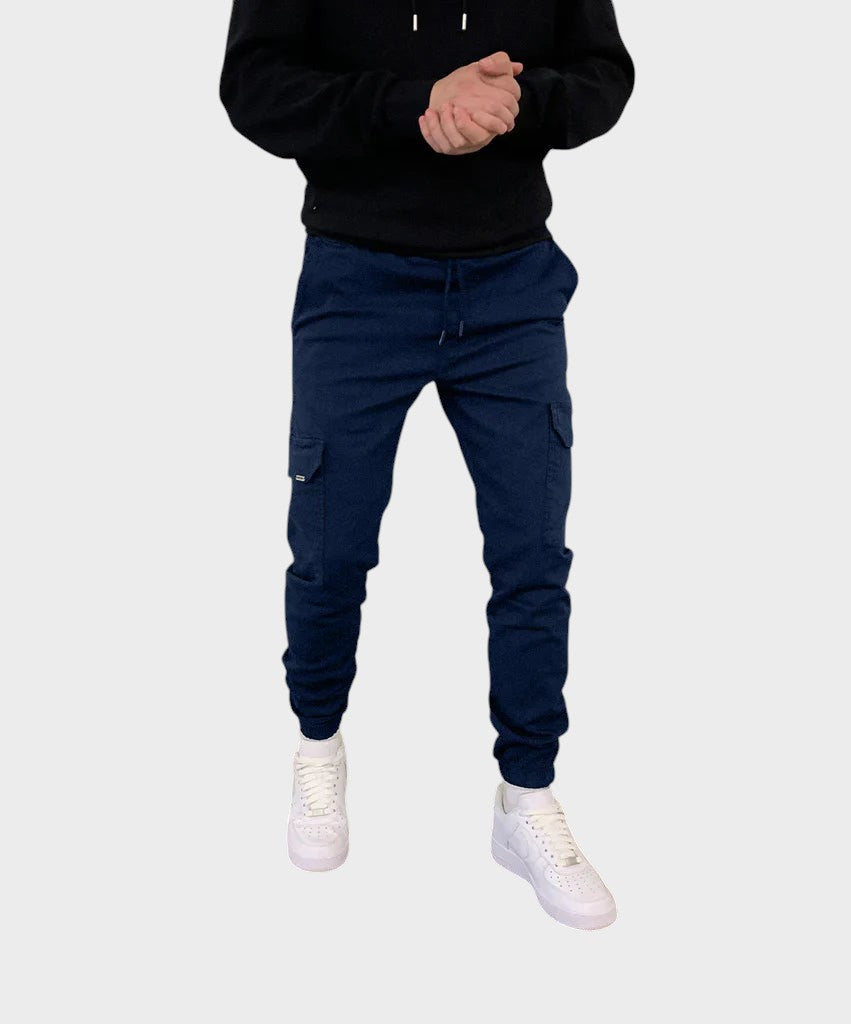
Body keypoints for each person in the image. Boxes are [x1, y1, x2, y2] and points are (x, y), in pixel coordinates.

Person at [220, 0, 633, 929]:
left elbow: (604, 75)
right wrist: (416, 103)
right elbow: (254, 87)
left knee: (532, 556)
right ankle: (318, 747)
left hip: (513, 283)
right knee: (330, 546)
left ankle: (525, 796)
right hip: (356, 278)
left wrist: (510, 103)